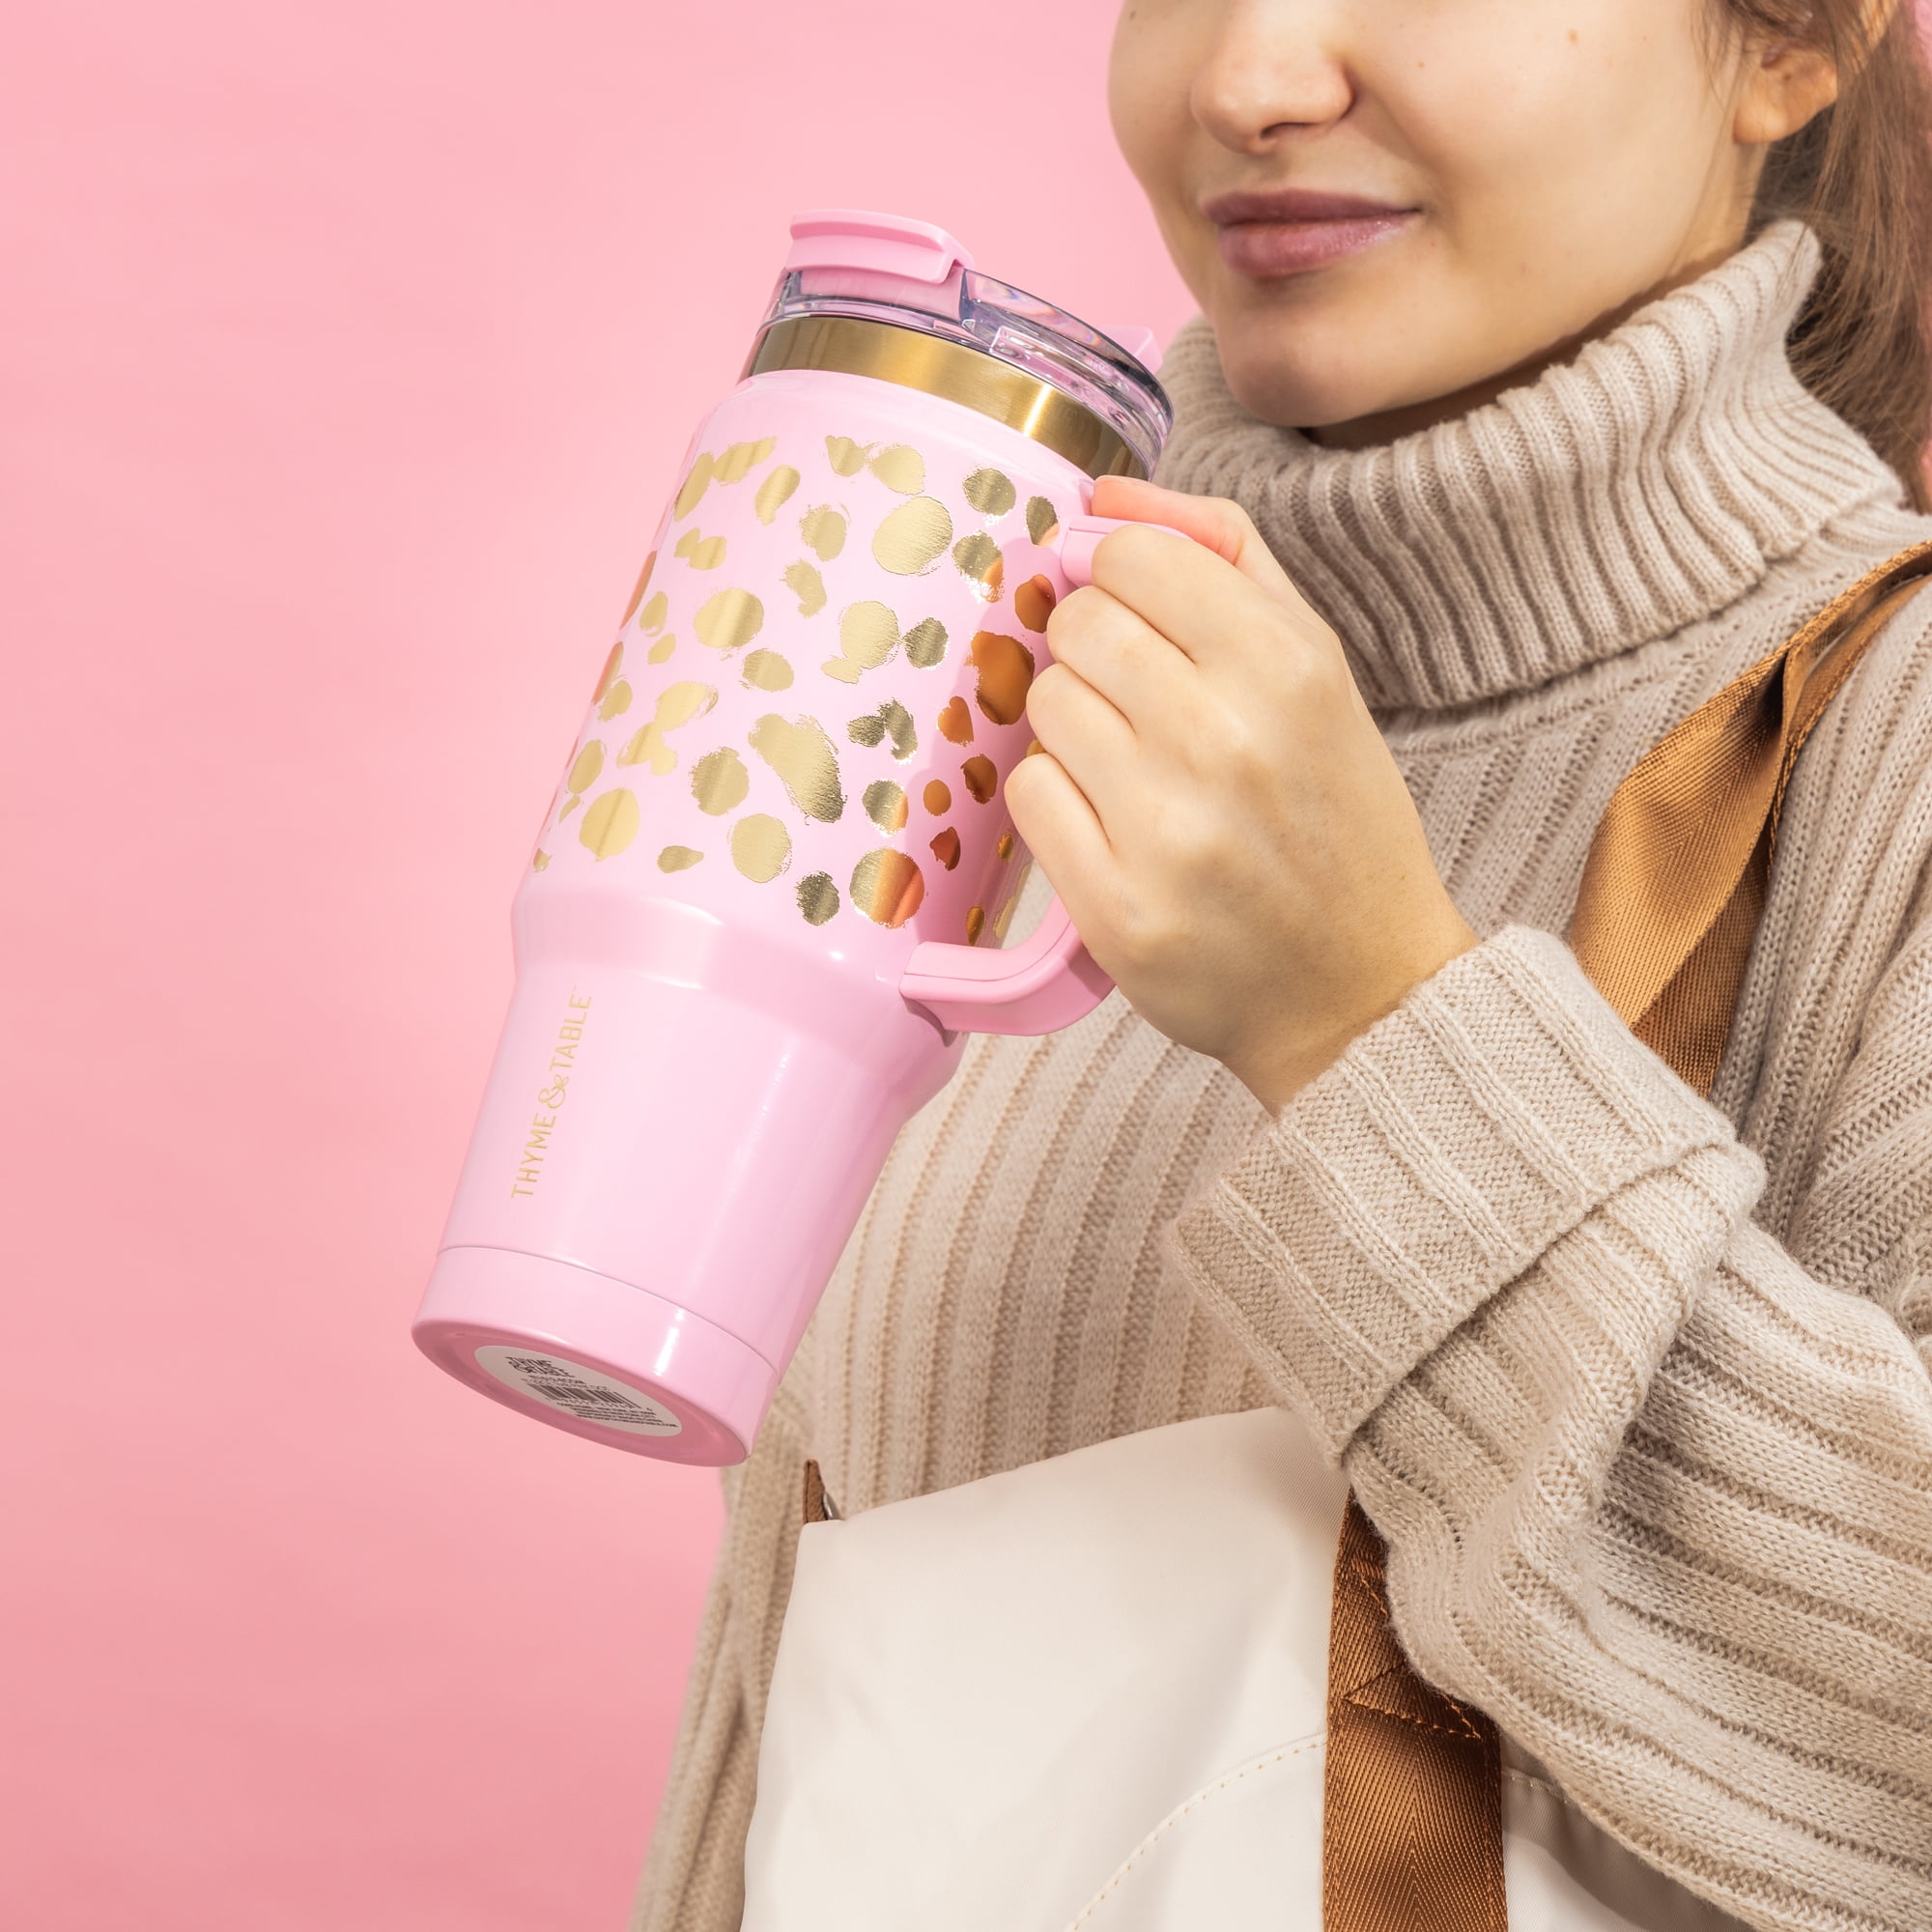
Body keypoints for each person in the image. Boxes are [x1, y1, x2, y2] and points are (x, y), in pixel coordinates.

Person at [635, 3, 1932, 1927]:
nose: (1247, 80)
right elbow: (803, 1746)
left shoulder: (1881, 739)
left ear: (1778, 49)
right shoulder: (1005, 686)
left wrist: (1367, 1024)